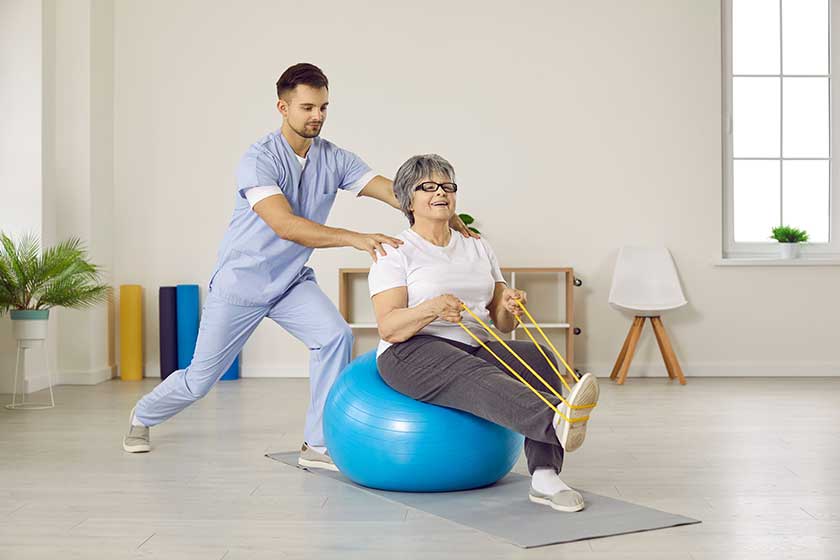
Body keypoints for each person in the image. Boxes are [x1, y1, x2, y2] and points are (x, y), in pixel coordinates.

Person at [122, 64, 475, 470]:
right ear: (282, 107)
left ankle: (317, 445)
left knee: (334, 336)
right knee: (200, 379)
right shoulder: (259, 160)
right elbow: (285, 226)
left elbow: (393, 192)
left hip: (290, 283)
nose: (317, 116)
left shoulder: (334, 158)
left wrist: (438, 208)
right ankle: (142, 416)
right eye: (307, 107)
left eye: (323, 107)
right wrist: (355, 238)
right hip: (242, 285)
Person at [369, 154, 599, 511]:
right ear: (407, 200)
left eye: (447, 185)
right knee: (475, 373)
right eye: (427, 186)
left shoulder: (476, 245)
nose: (440, 192)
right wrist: (431, 308)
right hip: (410, 351)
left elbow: (501, 324)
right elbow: (389, 326)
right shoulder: (395, 252)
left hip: (472, 343)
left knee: (538, 357)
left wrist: (508, 306)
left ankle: (545, 477)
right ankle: (555, 419)